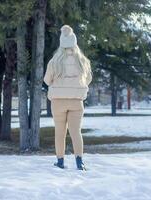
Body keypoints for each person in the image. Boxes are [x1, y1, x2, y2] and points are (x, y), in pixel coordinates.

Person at [44, 25, 92, 170]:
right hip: (76, 101)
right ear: (74, 43)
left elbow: (46, 80)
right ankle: (79, 162)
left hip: (58, 102)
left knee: (60, 133)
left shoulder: (54, 61)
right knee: (76, 132)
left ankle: (60, 162)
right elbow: (88, 79)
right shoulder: (83, 61)